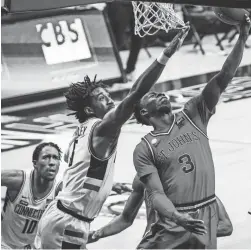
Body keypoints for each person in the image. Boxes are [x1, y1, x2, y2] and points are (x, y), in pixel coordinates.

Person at [34, 27, 192, 249]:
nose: (109, 99)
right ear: (89, 110)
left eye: (107, 94)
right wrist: (165, 56)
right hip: (68, 222)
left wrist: (106, 184)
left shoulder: (81, 132)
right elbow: (136, 93)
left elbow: (69, 179)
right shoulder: (102, 128)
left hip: (63, 218)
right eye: (101, 98)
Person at [130, 15, 250, 249]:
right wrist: (177, 217)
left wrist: (243, 36)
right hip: (173, 222)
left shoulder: (193, 114)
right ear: (144, 112)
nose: (160, 93)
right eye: (152, 95)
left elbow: (224, 76)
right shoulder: (144, 148)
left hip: (205, 211)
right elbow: (155, 194)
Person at [88, 175, 233, 244]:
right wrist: (98, 234)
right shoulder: (142, 178)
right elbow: (126, 218)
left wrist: (180, 233)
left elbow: (225, 227)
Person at [1, 142, 62, 249]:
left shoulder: (61, 190)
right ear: (35, 164)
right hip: (5, 245)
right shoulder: (18, 180)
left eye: (55, 158)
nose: (51, 162)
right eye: (46, 158)